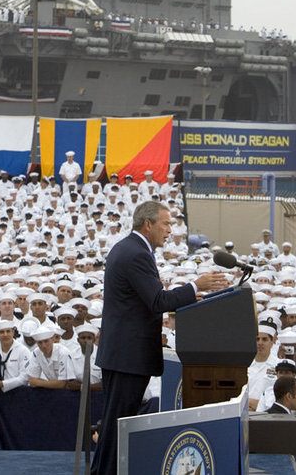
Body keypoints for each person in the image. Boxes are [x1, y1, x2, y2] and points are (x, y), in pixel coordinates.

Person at [91, 200, 227, 475]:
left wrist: (191, 296)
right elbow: (157, 300)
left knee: (116, 425)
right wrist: (194, 286)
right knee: (117, 425)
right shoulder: (136, 253)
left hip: (123, 355)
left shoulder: (131, 248)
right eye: (165, 224)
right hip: (127, 357)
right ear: (148, 224)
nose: (169, 230)